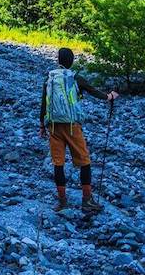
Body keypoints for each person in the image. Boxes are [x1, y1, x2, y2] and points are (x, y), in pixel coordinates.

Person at [39, 47, 118, 213]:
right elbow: (93, 91)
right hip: (72, 126)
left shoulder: (50, 78)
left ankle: (61, 202)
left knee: (58, 164)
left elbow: (44, 103)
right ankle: (87, 200)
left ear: (58, 60)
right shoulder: (75, 78)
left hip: (53, 126)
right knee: (84, 161)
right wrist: (109, 96)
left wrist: (41, 125)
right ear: (72, 61)